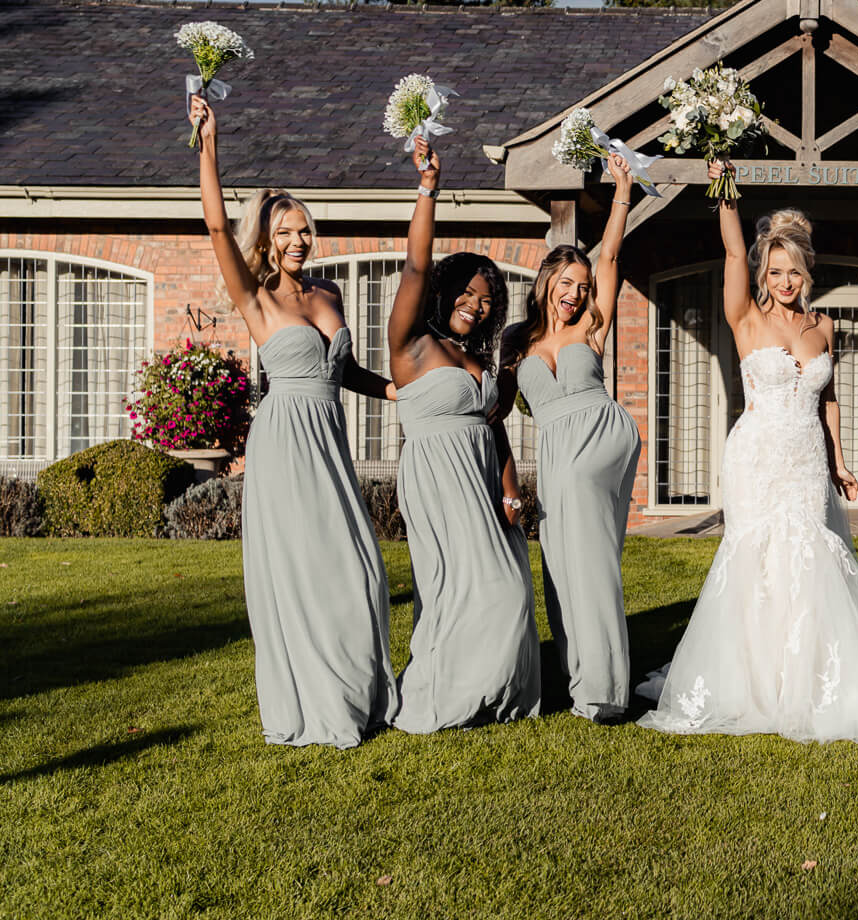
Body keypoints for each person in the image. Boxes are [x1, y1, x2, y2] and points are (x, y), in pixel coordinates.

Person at [638, 164, 858, 742]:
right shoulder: (746, 319)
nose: (784, 281)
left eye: (792, 271)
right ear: (764, 274)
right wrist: (724, 193)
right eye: (773, 272)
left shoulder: (825, 327)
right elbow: (730, 256)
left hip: (805, 459)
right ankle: (754, 682)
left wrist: (840, 462)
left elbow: (828, 401)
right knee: (760, 559)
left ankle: (812, 678)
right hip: (757, 455)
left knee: (811, 554)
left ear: (805, 271)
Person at [189, 93, 396, 748]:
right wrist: (209, 143)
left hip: (328, 441)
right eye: (284, 231)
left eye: (304, 229)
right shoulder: (255, 298)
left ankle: (357, 687)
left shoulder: (330, 293)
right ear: (268, 241)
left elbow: (348, 372)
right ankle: (317, 700)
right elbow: (218, 229)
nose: (298, 239)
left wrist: (398, 392)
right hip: (283, 442)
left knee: (358, 565)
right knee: (305, 567)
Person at [386, 137, 540, 732]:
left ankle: (491, 694)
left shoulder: (479, 358)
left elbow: (496, 431)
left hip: (483, 482)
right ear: (444, 291)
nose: (476, 305)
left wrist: (510, 490)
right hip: (437, 481)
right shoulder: (413, 347)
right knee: (469, 591)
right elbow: (416, 265)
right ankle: (448, 697)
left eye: (487, 299)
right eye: (467, 293)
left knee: (507, 587)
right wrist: (427, 189)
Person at [501, 152, 641, 722]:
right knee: (561, 561)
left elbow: (609, 254)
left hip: (599, 439)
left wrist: (622, 192)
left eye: (582, 286)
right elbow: (495, 412)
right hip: (556, 451)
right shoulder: (518, 341)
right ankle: (578, 675)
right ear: (547, 283)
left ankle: (605, 690)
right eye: (566, 283)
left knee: (592, 562)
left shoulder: (593, 326)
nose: (575, 293)